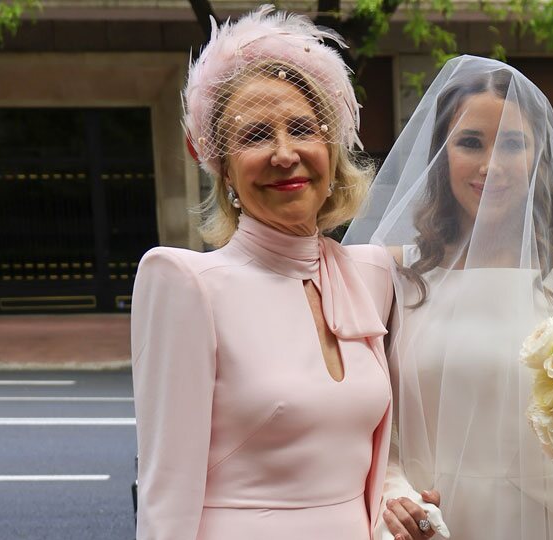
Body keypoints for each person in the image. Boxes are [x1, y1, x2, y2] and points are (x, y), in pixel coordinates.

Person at [345, 56, 553, 540]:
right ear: (441, 154)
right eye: (470, 143)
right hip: (431, 521)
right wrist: (392, 490)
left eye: (512, 144)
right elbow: (363, 414)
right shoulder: (394, 274)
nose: (490, 165)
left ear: (540, 155)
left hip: (552, 521)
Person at [131, 7, 416, 539]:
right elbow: (165, 492)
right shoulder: (185, 282)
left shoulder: (371, 274)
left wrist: (397, 500)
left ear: (331, 151)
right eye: (256, 134)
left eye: (303, 129)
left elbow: (377, 452)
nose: (285, 154)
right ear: (223, 166)